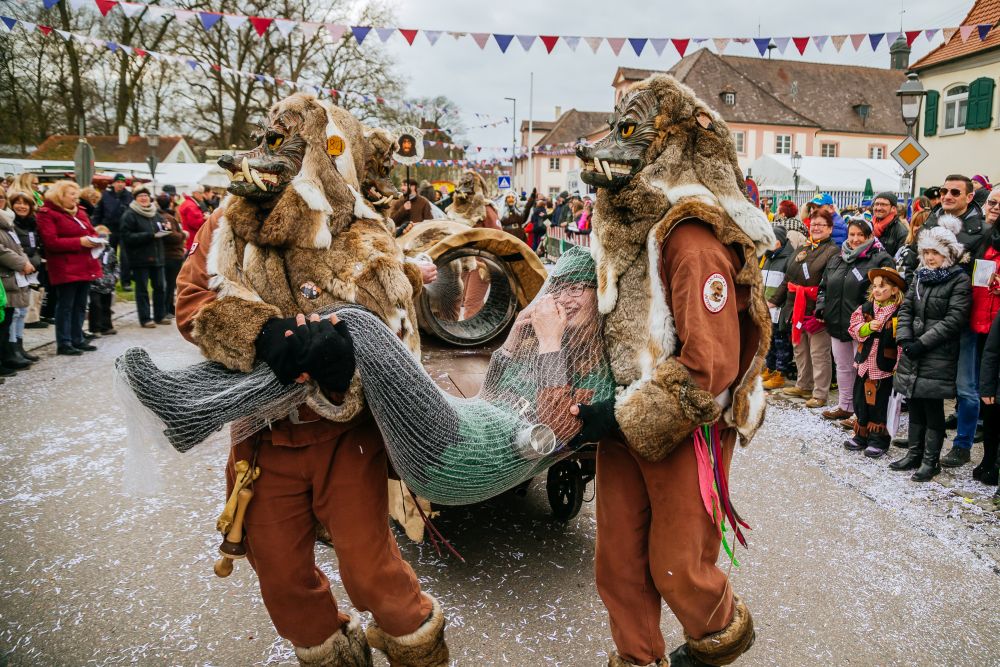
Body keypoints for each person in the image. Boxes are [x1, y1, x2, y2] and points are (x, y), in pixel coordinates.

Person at [891, 215, 971, 482]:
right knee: (914, 401)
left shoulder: (958, 280)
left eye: (934, 252)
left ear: (947, 253)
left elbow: (954, 319)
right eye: (925, 252)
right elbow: (906, 307)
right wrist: (904, 337)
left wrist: (922, 343)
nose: (929, 257)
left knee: (932, 405)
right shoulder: (919, 277)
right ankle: (914, 453)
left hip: (937, 351)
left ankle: (930, 460)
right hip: (914, 347)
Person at [923, 176, 988, 469]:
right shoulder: (932, 220)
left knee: (966, 386)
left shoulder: (981, 230)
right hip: (931, 312)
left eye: (954, 192)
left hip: (964, 316)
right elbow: (919, 262)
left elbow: (981, 277)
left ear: (969, 196)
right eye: (944, 191)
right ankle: (924, 440)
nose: (947, 196)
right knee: (929, 380)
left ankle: (962, 444)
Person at [816, 217, 894, 422]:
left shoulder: (880, 259)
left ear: (869, 236)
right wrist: (822, 307)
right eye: (852, 234)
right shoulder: (837, 258)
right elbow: (823, 286)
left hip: (864, 325)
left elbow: (886, 292)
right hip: (837, 321)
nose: (855, 239)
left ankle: (862, 413)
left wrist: (868, 314)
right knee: (842, 366)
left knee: (862, 368)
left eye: (861, 234)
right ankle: (845, 405)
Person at [771, 208, 840, 408]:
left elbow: (829, 283)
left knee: (818, 352)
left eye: (821, 225)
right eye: (814, 224)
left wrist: (822, 309)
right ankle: (804, 384)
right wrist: (774, 300)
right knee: (800, 349)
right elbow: (788, 278)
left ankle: (820, 392)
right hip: (796, 305)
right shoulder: (803, 248)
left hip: (815, 306)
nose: (816, 228)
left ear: (830, 229)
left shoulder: (832, 251)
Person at [35, 180, 102, 356]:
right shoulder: (47, 214)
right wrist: (79, 242)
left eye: (76, 194)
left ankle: (77, 338)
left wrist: (95, 239)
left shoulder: (80, 212)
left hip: (85, 264)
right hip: (65, 266)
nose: (75, 197)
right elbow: (51, 242)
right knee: (66, 305)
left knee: (80, 304)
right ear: (60, 196)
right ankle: (64, 342)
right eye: (71, 194)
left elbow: (91, 231)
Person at [844, 268, 905, 458]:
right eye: (875, 286)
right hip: (864, 364)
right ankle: (861, 434)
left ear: (894, 290)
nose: (877, 290)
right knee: (861, 400)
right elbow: (852, 329)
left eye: (882, 286)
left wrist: (899, 366)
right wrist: (866, 327)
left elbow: (901, 343)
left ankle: (878, 440)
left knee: (879, 404)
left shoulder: (899, 313)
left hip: (884, 366)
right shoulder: (866, 308)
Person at [121, 186, 168, 328]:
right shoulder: (129, 214)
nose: (143, 198)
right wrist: (149, 236)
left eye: (146, 195)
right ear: (135, 198)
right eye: (140, 196)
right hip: (140, 258)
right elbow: (126, 237)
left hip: (157, 257)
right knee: (142, 290)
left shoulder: (155, 213)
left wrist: (166, 228)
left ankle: (160, 315)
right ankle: (145, 318)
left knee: (160, 287)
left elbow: (161, 228)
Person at [0, 189, 36, 372]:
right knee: (5, 319)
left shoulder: (7, 221)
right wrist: (21, 263)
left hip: (14, 274)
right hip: (5, 274)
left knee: (12, 316)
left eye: (1, 197)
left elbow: (17, 246)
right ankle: (7, 355)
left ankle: (13, 351)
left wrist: (26, 262)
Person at [8, 190, 43, 356]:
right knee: (15, 312)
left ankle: (20, 346)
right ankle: (13, 347)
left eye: (25, 203)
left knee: (23, 310)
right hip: (15, 270)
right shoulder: (10, 224)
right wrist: (24, 262)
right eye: (18, 203)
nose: (21, 206)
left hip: (30, 272)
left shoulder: (32, 223)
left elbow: (34, 245)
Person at [762, 225, 796, 390]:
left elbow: (786, 283)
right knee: (768, 341)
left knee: (780, 341)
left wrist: (777, 301)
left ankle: (781, 373)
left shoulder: (788, 258)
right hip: (766, 307)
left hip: (779, 308)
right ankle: (770, 368)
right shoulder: (768, 257)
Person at [92, 174, 134, 290]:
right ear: (114, 183)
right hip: (109, 230)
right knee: (108, 255)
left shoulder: (129, 196)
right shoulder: (105, 195)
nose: (120, 184)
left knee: (125, 257)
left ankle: (126, 282)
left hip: (124, 230)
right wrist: (95, 226)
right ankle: (108, 279)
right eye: (118, 182)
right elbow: (98, 212)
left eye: (123, 182)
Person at [977, 309, 1000, 490]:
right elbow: (991, 351)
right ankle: (989, 460)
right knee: (991, 422)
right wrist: (986, 387)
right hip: (996, 385)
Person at [157, 191, 186, 319]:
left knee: (170, 284)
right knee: (169, 284)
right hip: (171, 255)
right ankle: (166, 308)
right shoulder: (167, 217)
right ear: (170, 203)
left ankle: (169, 306)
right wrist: (184, 235)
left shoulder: (165, 216)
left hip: (171, 254)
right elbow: (171, 236)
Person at [88, 225, 118, 336]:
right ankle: (95, 328)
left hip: (108, 283)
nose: (104, 239)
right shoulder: (93, 251)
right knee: (96, 306)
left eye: (106, 236)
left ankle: (106, 326)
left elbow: (115, 264)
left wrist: (115, 276)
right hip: (95, 283)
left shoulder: (110, 250)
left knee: (106, 306)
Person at [870, 192, 909, 258]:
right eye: (876, 204)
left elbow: (900, 259)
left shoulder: (901, 232)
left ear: (893, 208)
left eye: (883, 205)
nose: (878, 208)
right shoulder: (868, 226)